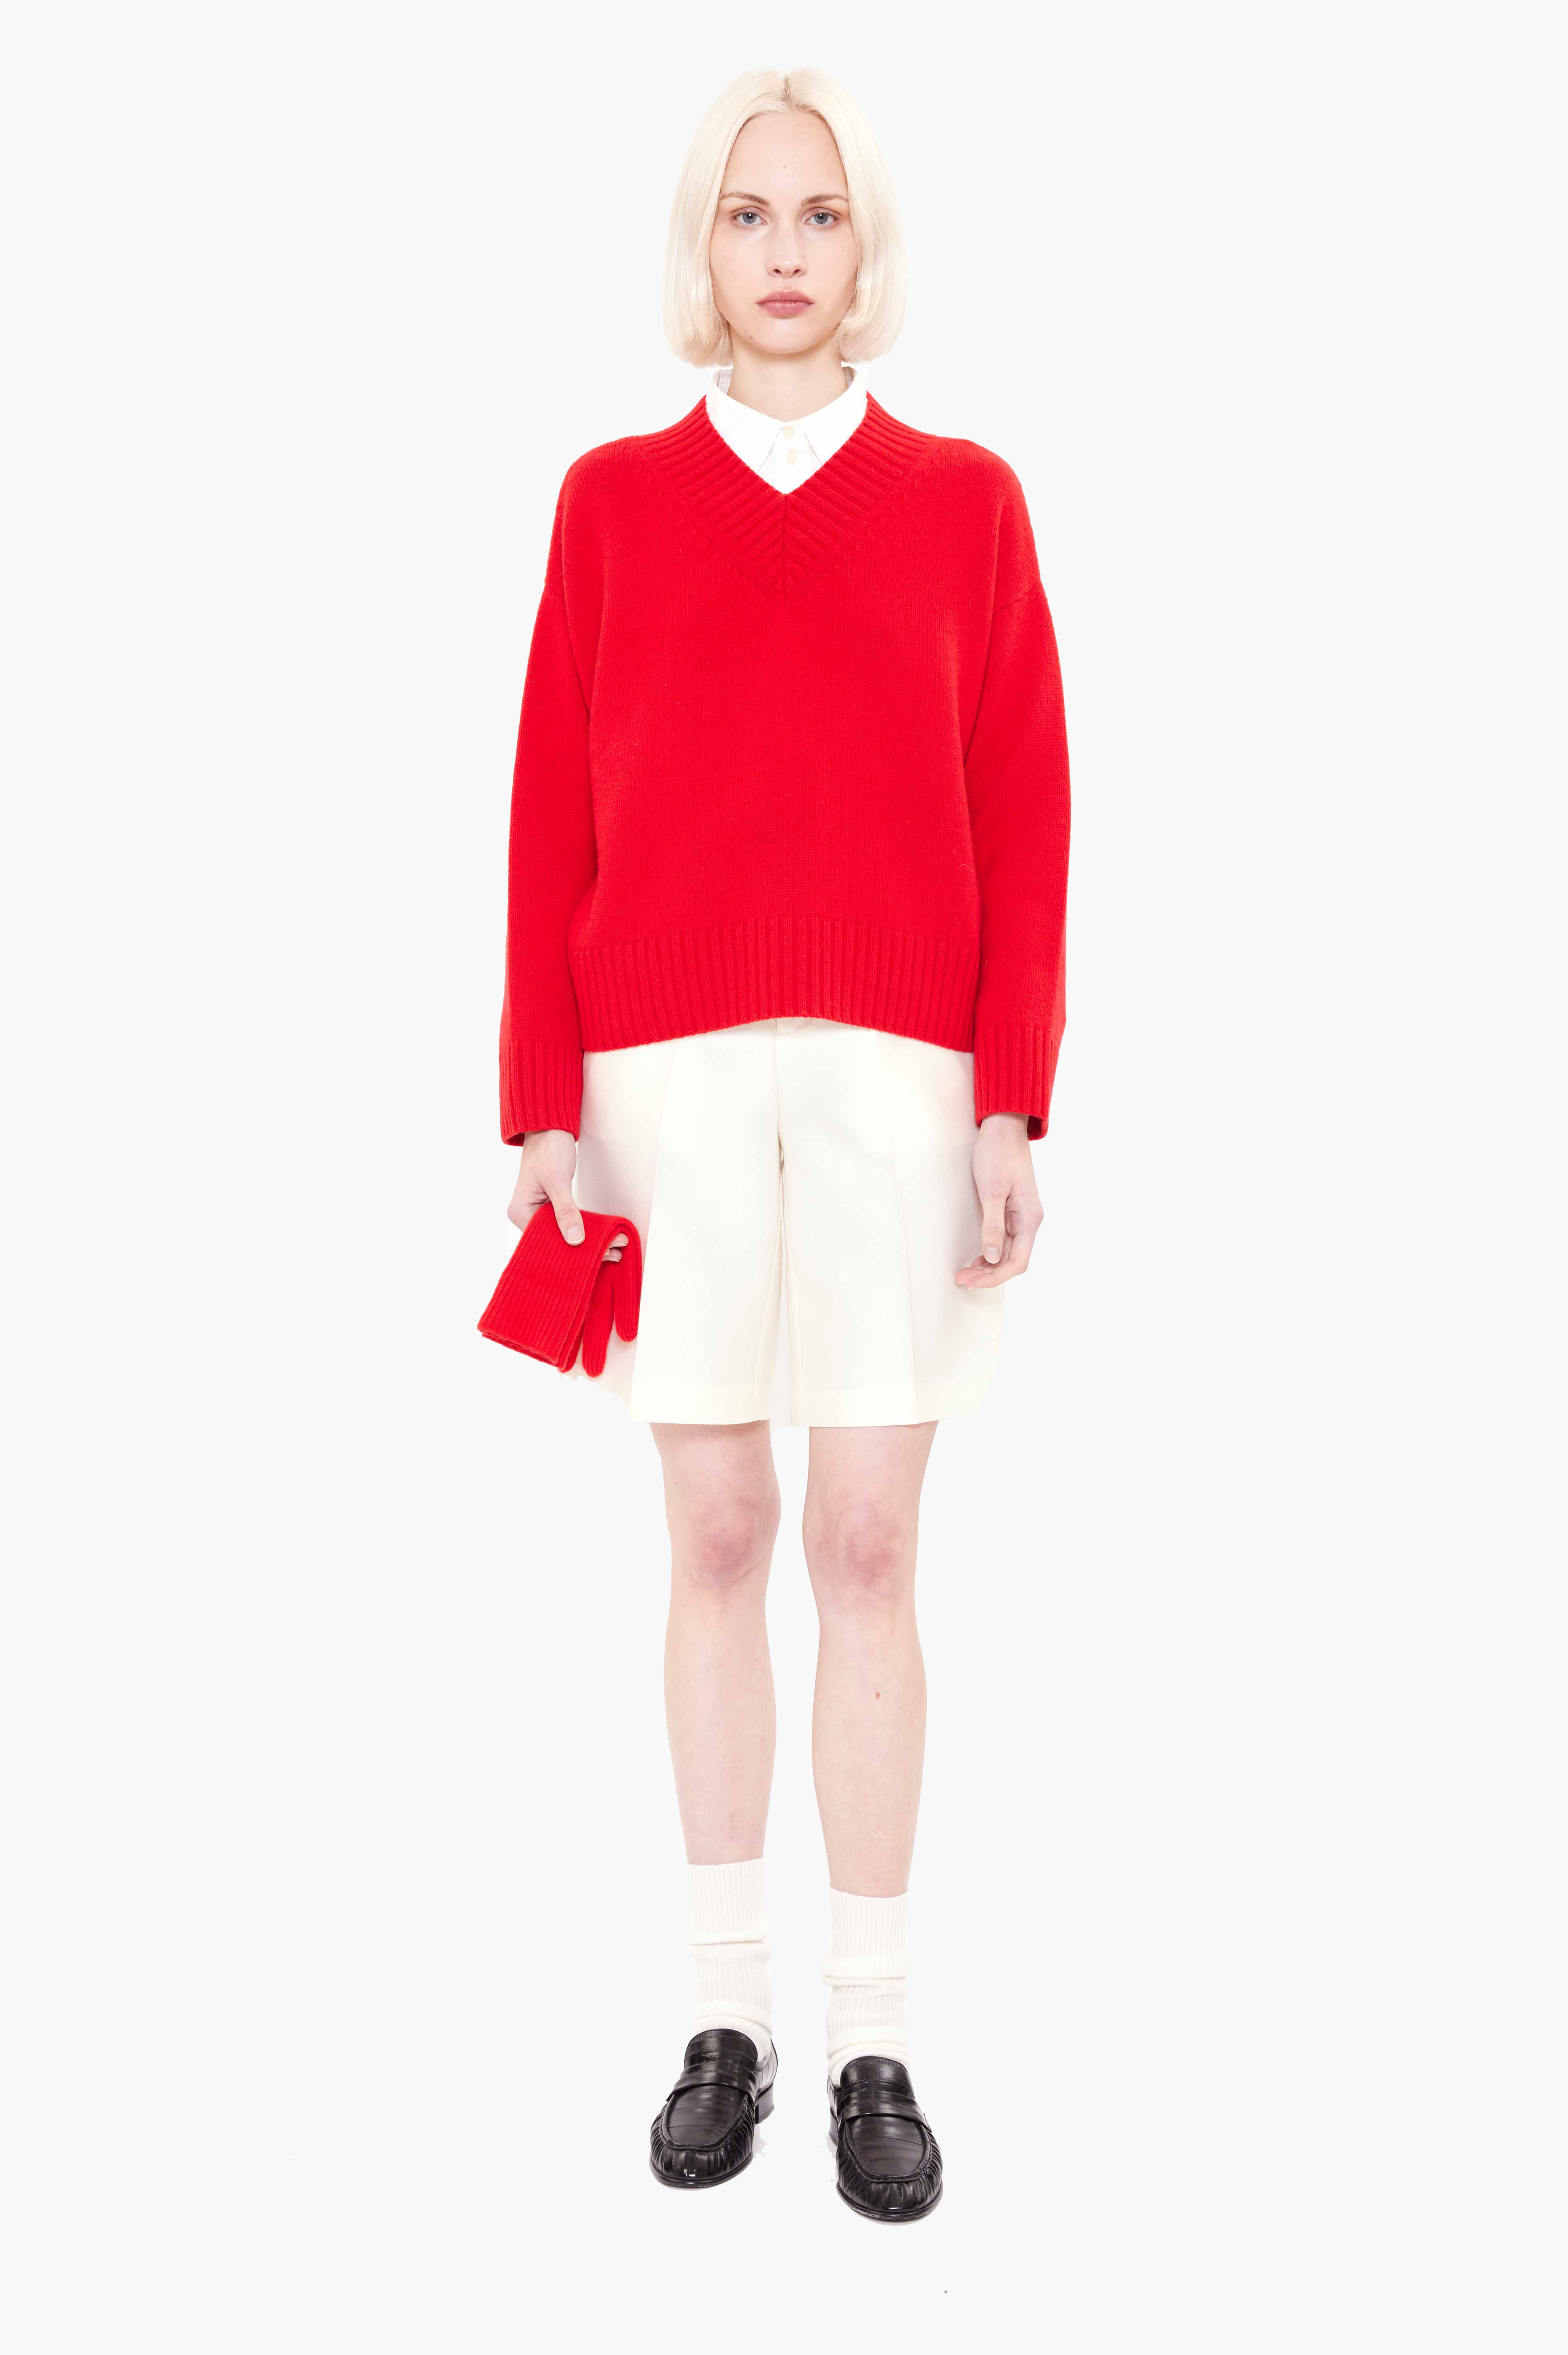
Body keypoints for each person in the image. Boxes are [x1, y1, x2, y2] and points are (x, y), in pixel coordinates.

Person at [498, 65, 1070, 2222]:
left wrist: (1011, 1093)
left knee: (868, 1546)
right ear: (703, 244)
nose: (786, 251)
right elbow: (546, 806)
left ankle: (877, 2034)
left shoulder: (969, 505)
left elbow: (1027, 811)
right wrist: (539, 1102)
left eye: (820, 213)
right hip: (662, 1080)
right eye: (749, 214)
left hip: (899, 1083)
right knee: (721, 1531)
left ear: (867, 242)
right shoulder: (612, 504)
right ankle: (725, 2016)